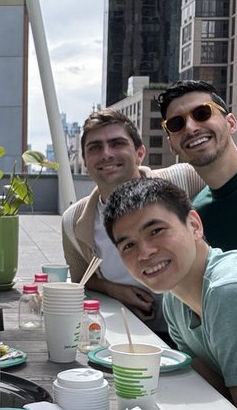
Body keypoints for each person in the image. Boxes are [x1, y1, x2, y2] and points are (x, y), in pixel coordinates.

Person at [102, 177, 237, 410]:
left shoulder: (229, 292)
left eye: (156, 231)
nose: (145, 252)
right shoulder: (175, 297)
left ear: (194, 225)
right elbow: (213, 388)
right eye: (128, 245)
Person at [62, 108, 204, 323]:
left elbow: (236, 170)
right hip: (135, 333)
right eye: (95, 147)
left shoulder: (182, 181)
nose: (106, 154)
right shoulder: (75, 220)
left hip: (202, 331)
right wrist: (113, 289)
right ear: (84, 160)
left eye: (117, 143)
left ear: (140, 153)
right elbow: (82, 279)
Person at [159, 80, 237, 255]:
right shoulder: (196, 218)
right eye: (176, 124)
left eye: (202, 113)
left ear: (231, 123)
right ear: (172, 145)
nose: (191, 128)